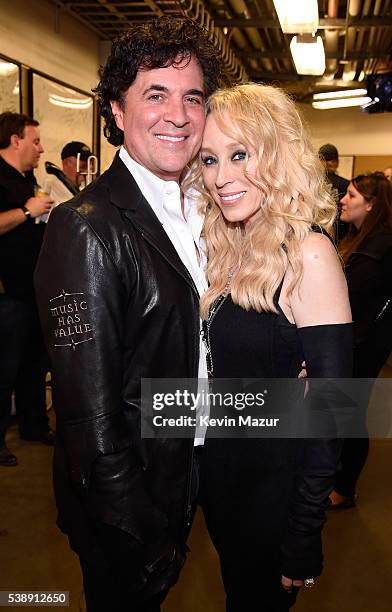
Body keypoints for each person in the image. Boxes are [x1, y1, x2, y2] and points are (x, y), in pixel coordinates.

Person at [34, 17, 221, 612]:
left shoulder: (206, 206)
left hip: (188, 459)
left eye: (192, 97)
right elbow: (88, 413)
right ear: (116, 111)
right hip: (130, 491)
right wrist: (137, 530)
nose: (179, 114)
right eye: (155, 95)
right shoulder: (87, 225)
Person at [192, 83, 352, 611]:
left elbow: (332, 412)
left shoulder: (307, 252)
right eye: (210, 159)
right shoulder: (227, 245)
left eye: (240, 155)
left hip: (273, 497)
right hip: (225, 486)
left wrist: (304, 536)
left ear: (278, 154)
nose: (221, 177)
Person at [329, 172, 392, 508]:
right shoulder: (360, 238)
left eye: (351, 196)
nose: (343, 199)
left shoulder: (377, 247)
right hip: (356, 341)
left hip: (363, 345)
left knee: (352, 415)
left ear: (370, 205)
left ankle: (345, 488)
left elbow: (350, 298)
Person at [0, 112, 55, 467]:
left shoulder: (27, 177)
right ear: (15, 140)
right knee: (3, 371)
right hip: (6, 296)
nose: (40, 148)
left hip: (31, 291)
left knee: (34, 365)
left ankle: (34, 426)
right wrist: (26, 209)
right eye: (34, 141)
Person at [43, 141, 92, 213]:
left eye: (88, 166)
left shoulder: (83, 188)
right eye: (83, 166)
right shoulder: (50, 186)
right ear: (66, 163)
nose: (87, 172)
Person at [319, 143, 350, 243]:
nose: (329, 163)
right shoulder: (346, 184)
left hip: (324, 231)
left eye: (331, 160)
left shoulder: (312, 183)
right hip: (337, 231)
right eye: (327, 160)